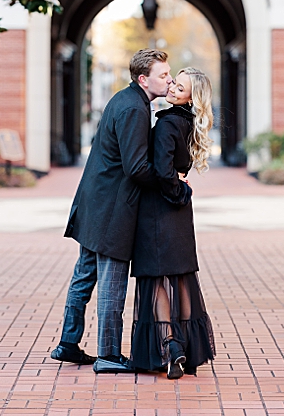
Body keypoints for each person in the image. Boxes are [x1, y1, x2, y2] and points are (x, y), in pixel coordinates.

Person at [51, 49, 191, 373]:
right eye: (163, 75)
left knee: (84, 276)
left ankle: (68, 344)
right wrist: (172, 180)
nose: (169, 80)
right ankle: (108, 355)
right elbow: (137, 168)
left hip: (96, 202)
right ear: (144, 79)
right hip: (112, 209)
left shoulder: (129, 100)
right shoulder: (134, 109)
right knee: (111, 285)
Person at [129, 67, 216, 379]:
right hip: (178, 210)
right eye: (175, 83)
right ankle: (186, 349)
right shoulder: (188, 120)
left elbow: (165, 172)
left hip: (160, 209)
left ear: (192, 96)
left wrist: (179, 191)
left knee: (156, 279)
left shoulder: (167, 123)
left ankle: (170, 345)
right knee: (180, 278)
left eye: (181, 88)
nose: (173, 89)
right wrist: (183, 191)